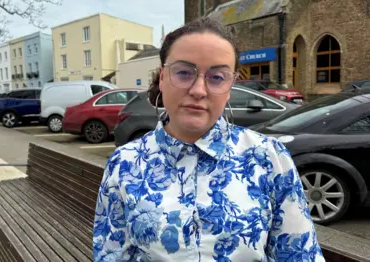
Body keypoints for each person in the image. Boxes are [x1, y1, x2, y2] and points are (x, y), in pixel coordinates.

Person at [93, 17, 324, 261]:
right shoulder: (125, 163)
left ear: (231, 85)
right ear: (162, 78)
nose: (199, 90)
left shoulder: (269, 158)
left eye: (217, 77)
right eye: (183, 73)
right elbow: (112, 254)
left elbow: (299, 255)